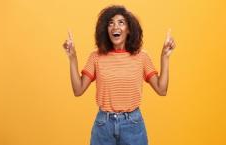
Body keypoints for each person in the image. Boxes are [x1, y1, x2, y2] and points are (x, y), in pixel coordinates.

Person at [62, 5, 175, 145]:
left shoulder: (141, 57)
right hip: (103, 125)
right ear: (106, 30)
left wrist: (165, 57)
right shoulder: (96, 57)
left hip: (133, 125)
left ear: (129, 30)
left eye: (121, 22)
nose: (115, 27)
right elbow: (78, 90)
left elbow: (161, 89)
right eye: (111, 23)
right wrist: (72, 57)